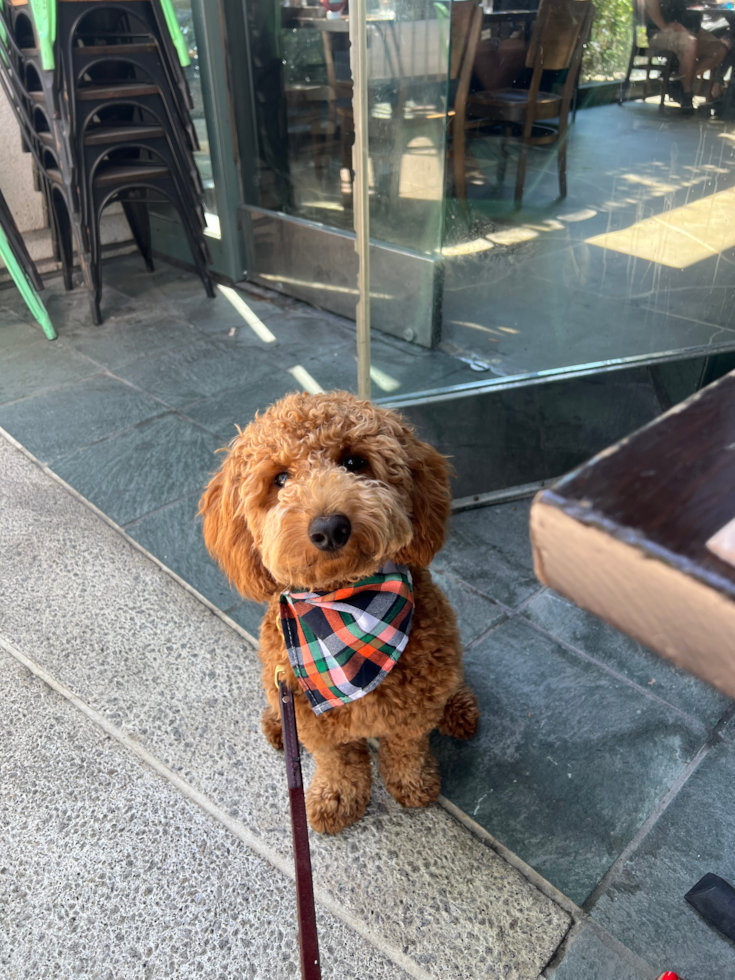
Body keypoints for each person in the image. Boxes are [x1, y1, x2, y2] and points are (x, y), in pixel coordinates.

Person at [645, 0, 728, 112]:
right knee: (690, 43)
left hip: (693, 30)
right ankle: (686, 95)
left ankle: (676, 81)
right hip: (660, 30)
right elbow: (650, 3)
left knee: (720, 50)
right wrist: (664, 26)